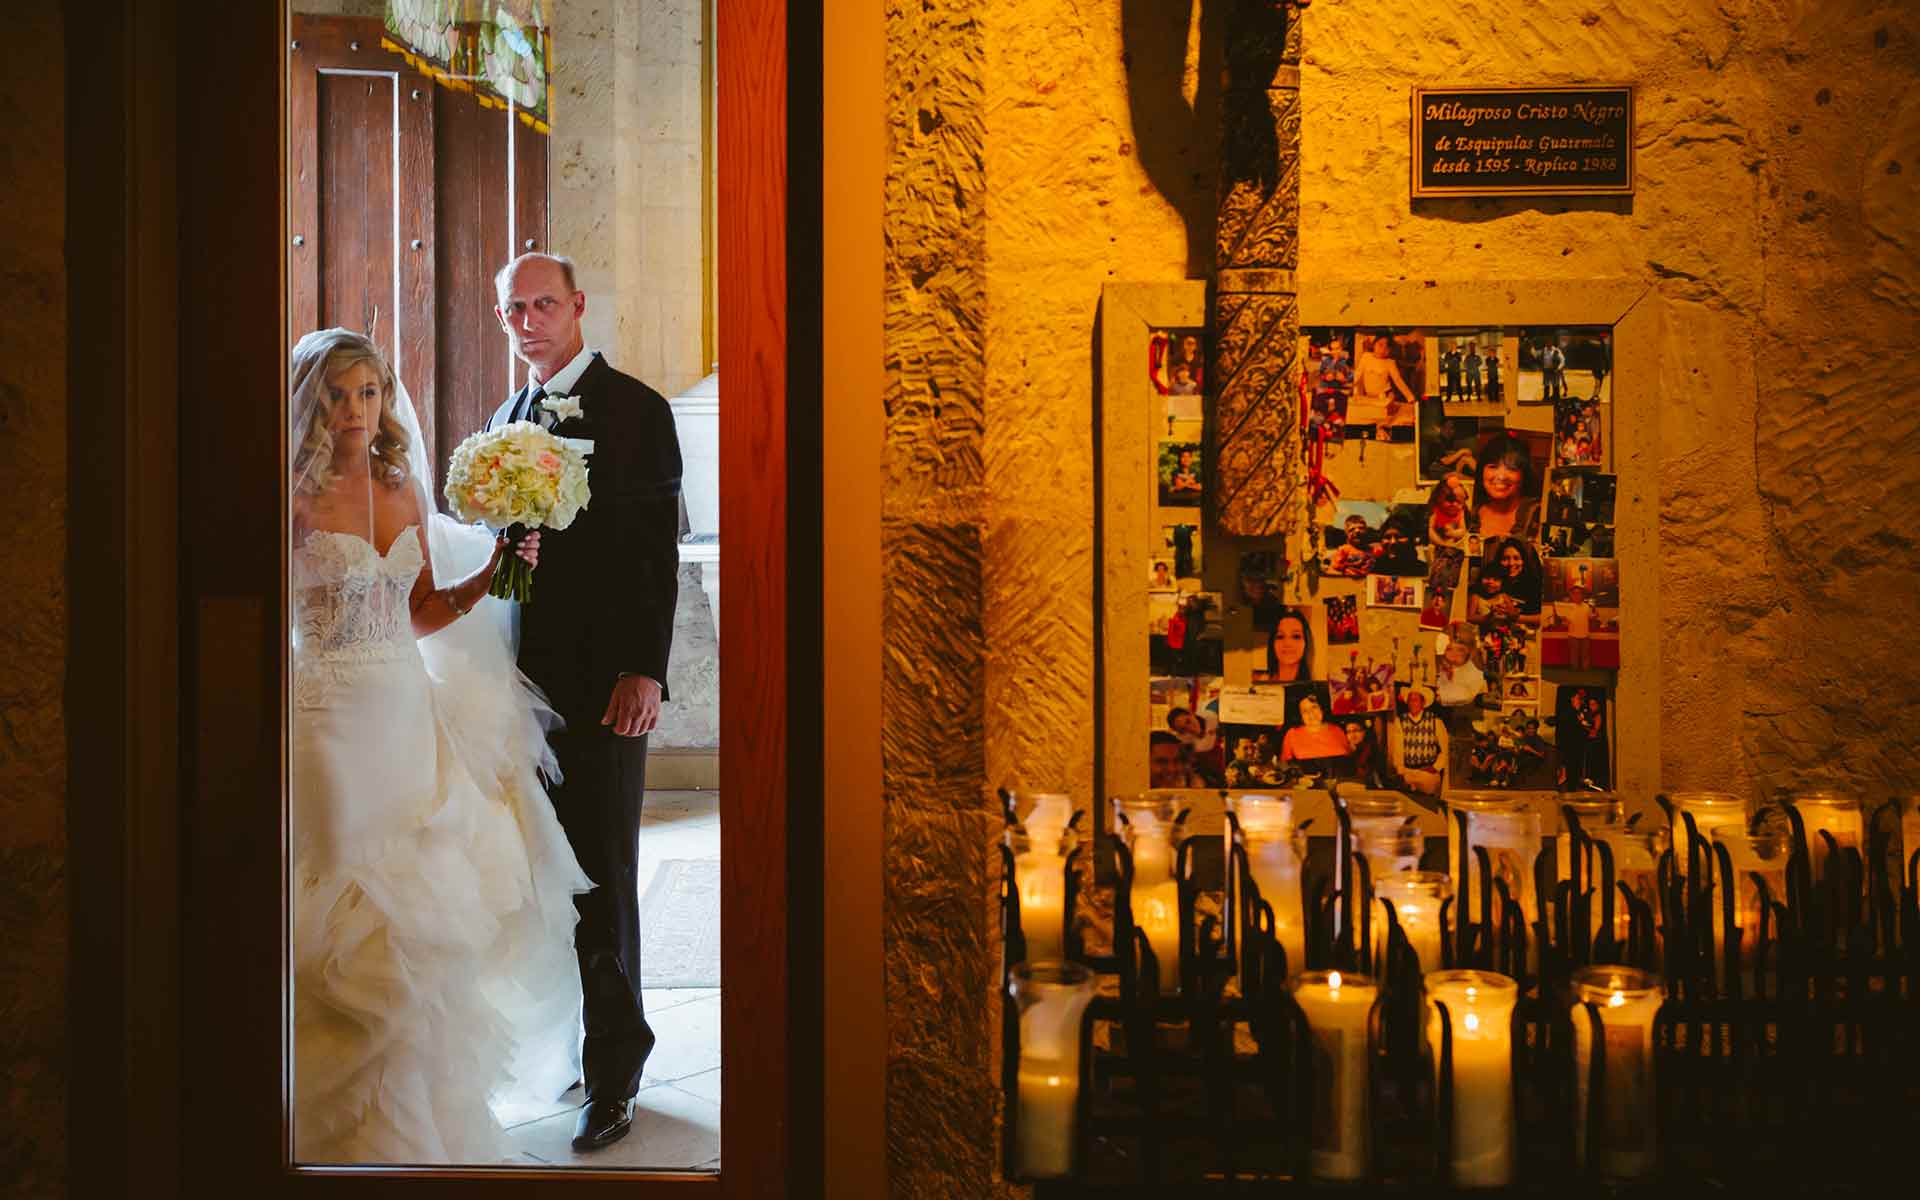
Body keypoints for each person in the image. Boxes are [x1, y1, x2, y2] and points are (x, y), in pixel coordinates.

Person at [290, 328, 591, 1163]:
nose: (357, 410)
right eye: (341, 394)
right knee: (340, 893)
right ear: (316, 402)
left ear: (387, 401)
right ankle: (320, 1129)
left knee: (415, 914)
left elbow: (420, 610)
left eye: (370, 393)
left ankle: (410, 1127)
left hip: (401, 709)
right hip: (324, 714)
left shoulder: (402, 486)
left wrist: (494, 570)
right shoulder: (293, 498)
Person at [487, 252, 684, 1152]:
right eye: (512, 308)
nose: (528, 320)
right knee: (544, 879)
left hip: (607, 686)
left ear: (577, 307)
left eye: (542, 304)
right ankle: (566, 1047)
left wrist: (643, 669)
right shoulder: (506, 418)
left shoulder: (636, 410)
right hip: (523, 684)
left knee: (603, 881)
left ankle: (616, 1076)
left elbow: (653, 552)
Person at [1471, 431, 1541, 540]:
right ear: (1481, 471)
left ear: (1524, 475)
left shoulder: (1537, 514)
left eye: (1511, 468)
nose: (1501, 476)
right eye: (1493, 466)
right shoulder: (1469, 513)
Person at [1348, 334, 1419, 435]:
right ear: (1374, 345)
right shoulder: (1366, 357)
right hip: (1369, 397)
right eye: (1380, 345)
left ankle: (1384, 432)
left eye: (1387, 347)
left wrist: (1410, 397)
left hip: (1385, 396)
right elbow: (1358, 375)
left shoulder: (1390, 363)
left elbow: (1398, 380)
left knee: (1388, 417)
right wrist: (1349, 387)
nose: (1383, 349)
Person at [1388, 685, 1448, 796]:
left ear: (1423, 703)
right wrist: (1401, 770)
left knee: (1427, 798)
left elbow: (1445, 748)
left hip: (1427, 773)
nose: (1412, 703)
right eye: (1410, 700)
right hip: (1408, 771)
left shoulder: (1435, 721)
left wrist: (1436, 767)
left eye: (1416, 700)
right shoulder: (1400, 721)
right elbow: (1398, 748)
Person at [1281, 692, 1350, 761]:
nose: (1310, 713)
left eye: (1314, 707)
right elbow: (1284, 764)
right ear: (1301, 716)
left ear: (1321, 708)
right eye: (1305, 711)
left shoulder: (1338, 730)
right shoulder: (1292, 734)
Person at [1255, 609, 1315, 683]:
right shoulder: (1260, 682)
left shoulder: (1317, 688)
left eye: (1296, 636)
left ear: (1306, 643)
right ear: (1272, 643)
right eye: (1280, 636)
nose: (1287, 643)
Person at [1488, 537, 1543, 615]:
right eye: (1505, 558)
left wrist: (1515, 617)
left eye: (1516, 558)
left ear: (1524, 561)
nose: (1511, 563)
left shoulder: (1534, 584)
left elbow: (1541, 617)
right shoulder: (1493, 582)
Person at [1435, 633, 1487, 706]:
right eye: (1449, 649)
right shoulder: (1447, 666)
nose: (1454, 653)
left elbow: (1468, 696)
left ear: (1468, 652)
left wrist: (1441, 696)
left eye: (1460, 650)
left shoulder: (1475, 673)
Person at [1554, 581, 1595, 669]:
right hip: (1573, 635)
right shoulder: (1568, 607)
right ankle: (1574, 671)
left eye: (1579, 593)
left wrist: (1595, 615)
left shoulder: (1587, 606)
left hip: (1585, 635)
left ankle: (1585, 672)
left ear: (1583, 595)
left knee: (1585, 654)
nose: (1577, 595)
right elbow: (1565, 624)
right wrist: (1563, 619)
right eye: (1574, 593)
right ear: (1571, 595)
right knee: (1574, 655)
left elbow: (1591, 617)